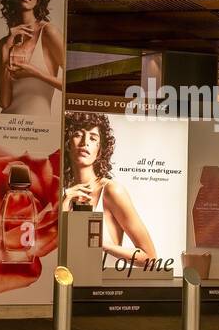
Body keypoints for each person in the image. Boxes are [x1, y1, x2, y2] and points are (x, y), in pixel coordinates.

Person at [62, 111, 157, 268]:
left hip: (104, 289)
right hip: (64, 285)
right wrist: (65, 203)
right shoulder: (62, 192)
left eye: (93, 138)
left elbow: (150, 259)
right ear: (67, 142)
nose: (85, 142)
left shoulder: (112, 191)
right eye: (78, 134)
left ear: (100, 151)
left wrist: (100, 244)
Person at [0, 0, 64, 116]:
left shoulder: (48, 32)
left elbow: (73, 86)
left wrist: (35, 72)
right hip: (6, 128)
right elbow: (4, 102)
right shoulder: (3, 44)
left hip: (38, 131)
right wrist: (6, 51)